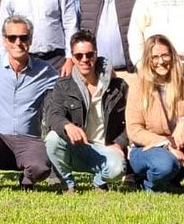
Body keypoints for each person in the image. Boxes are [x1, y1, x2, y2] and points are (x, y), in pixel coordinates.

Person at [0, 15, 60, 192]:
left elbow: (66, 86)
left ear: (30, 40)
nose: (18, 42)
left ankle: (26, 181)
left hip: (29, 142)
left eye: (23, 37)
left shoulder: (45, 70)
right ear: (4, 40)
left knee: (42, 168)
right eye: (12, 38)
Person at [124, 35, 184, 196]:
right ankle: (149, 183)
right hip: (148, 148)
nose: (161, 61)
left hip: (183, 146)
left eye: (165, 55)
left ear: (172, 55)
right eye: (155, 57)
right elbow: (134, 130)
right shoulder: (138, 83)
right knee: (165, 165)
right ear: (147, 59)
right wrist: (167, 145)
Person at [43, 30, 129, 192]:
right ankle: (68, 184)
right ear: (72, 57)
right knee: (52, 139)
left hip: (105, 149)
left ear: (96, 54)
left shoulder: (118, 87)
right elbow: (53, 115)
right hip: (76, 148)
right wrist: (67, 125)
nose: (84, 60)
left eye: (89, 55)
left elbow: (130, 121)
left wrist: (120, 143)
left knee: (118, 168)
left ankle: (99, 182)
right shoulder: (63, 85)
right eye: (79, 56)